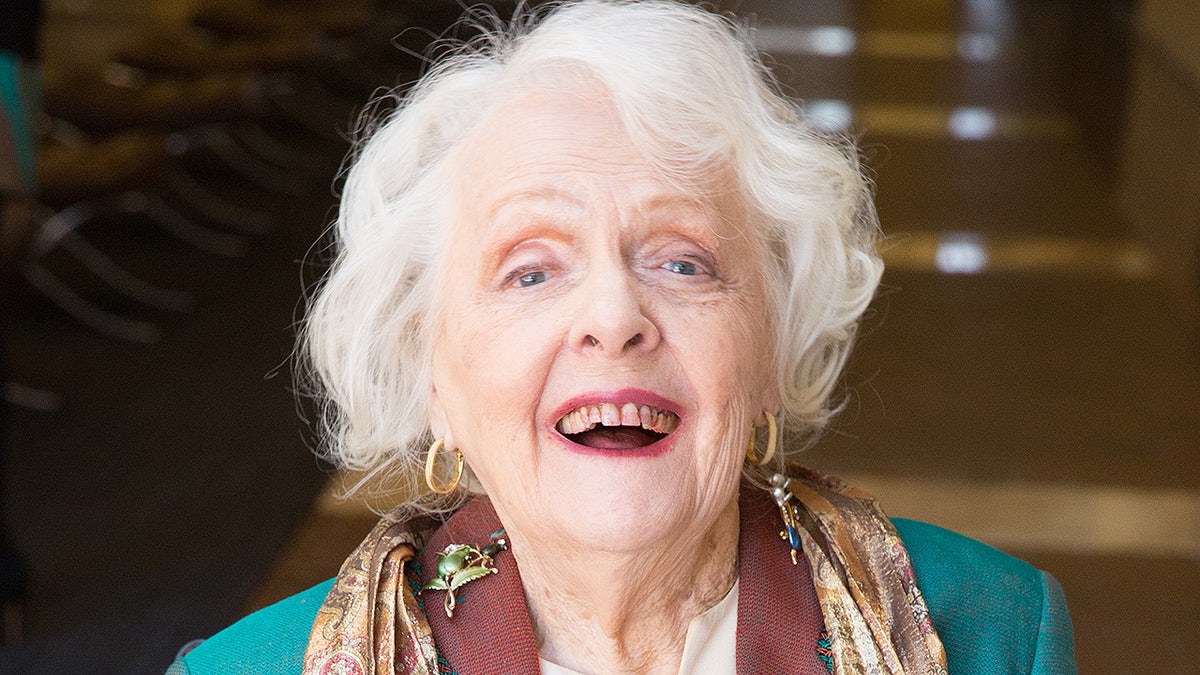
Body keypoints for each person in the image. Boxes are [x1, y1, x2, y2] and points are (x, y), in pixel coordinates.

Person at [169, 1, 1076, 673]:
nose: (613, 316)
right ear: (431, 374)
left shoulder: (989, 631)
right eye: (531, 270)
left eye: (682, 262)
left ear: (769, 343)